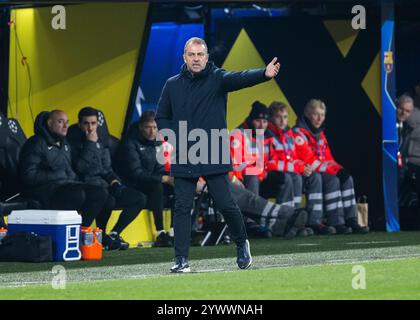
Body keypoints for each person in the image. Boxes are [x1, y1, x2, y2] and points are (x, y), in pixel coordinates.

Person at [156, 37, 280, 272]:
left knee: (226, 204)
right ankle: (181, 260)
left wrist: (263, 73)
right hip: (185, 155)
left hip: (213, 152)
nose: (195, 59)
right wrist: (176, 138)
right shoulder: (172, 84)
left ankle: (242, 243)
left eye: (199, 54)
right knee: (182, 208)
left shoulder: (218, 78)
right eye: (191, 55)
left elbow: (240, 77)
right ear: (184, 57)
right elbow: (161, 117)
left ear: (206, 57)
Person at [67, 107, 147, 250]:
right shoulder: (72, 142)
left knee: (139, 198)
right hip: (87, 187)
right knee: (107, 198)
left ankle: (114, 234)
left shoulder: (100, 141)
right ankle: (95, 235)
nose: (90, 128)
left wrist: (115, 181)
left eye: (93, 123)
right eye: (86, 123)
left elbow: (107, 169)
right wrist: (90, 144)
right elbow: (79, 168)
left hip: (104, 185)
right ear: (79, 124)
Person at [19, 110, 108, 228]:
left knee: (100, 192)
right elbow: (28, 176)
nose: (66, 126)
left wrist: (72, 177)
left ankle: (82, 229)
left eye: (67, 122)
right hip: (43, 190)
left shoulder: (64, 143)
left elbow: (69, 170)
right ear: (49, 123)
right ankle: (66, 231)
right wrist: (58, 175)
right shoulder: (35, 143)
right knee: (77, 194)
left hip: (64, 186)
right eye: (60, 122)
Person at [293, 99, 368, 234]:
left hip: (319, 171)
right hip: (305, 173)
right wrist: (336, 171)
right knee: (333, 179)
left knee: (347, 178)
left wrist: (340, 169)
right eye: (316, 114)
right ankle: (326, 222)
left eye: (322, 115)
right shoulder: (298, 134)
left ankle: (350, 219)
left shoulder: (320, 134)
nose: (320, 118)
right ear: (307, 114)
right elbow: (310, 161)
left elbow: (329, 159)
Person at [116, 111, 175, 247]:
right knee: (157, 185)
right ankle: (160, 232)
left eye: (155, 128)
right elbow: (135, 173)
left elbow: (159, 168)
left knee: (179, 185)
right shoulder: (130, 143)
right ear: (141, 127)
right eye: (148, 127)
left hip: (150, 181)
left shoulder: (156, 143)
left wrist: (172, 177)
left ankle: (173, 231)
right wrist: (164, 178)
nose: (152, 131)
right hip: (133, 183)